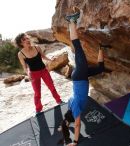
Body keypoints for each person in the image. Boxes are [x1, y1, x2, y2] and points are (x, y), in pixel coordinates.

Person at [60, 9, 109, 146]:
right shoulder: (70, 104)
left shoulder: (75, 109)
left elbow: (77, 125)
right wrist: (64, 125)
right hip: (81, 77)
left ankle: (71, 21)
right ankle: (101, 47)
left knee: (77, 46)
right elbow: (69, 121)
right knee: (100, 68)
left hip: (80, 75)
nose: (77, 118)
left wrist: (75, 142)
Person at [15, 33, 63, 114]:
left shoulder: (37, 48)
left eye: (27, 38)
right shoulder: (21, 54)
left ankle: (59, 100)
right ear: (20, 43)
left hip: (44, 71)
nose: (27, 40)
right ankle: (38, 109)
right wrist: (28, 74)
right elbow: (24, 66)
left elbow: (43, 56)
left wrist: (50, 60)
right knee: (37, 93)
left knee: (51, 86)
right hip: (33, 74)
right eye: (24, 39)